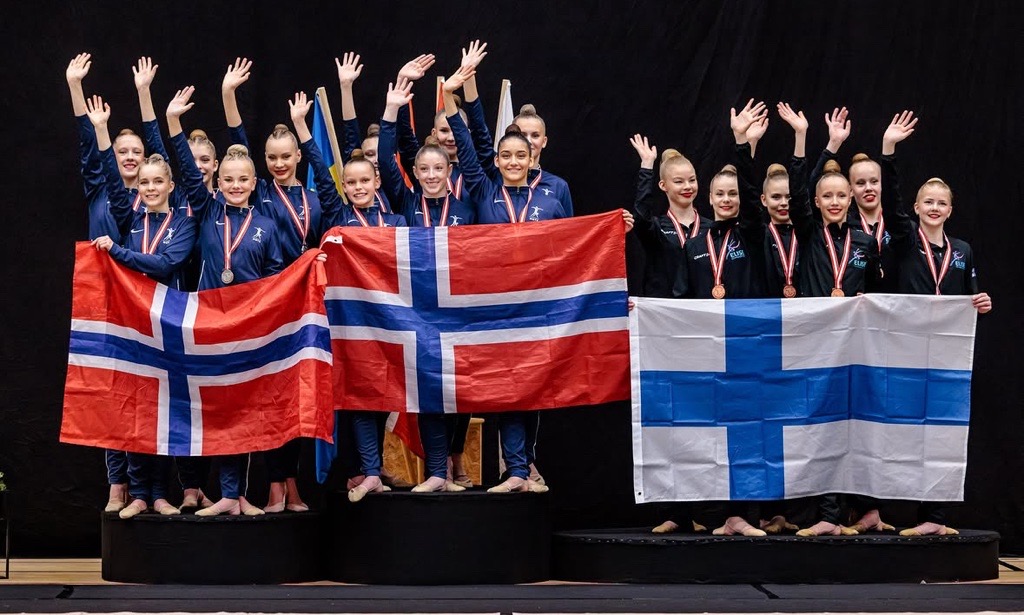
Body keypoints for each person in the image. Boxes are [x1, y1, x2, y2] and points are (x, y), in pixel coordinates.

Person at [222, 59, 344, 513]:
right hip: (268, 304)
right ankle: (275, 484)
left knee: (298, 394)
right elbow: (236, 143)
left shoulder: (313, 198)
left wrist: (303, 130)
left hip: (306, 305)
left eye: (285, 156)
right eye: (271, 157)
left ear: (296, 158)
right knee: (271, 394)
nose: (277, 164)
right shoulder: (257, 192)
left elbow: (330, 188)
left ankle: (292, 484)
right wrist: (228, 95)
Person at [165, 85, 283, 516]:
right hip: (207, 324)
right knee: (211, 409)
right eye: (228, 180)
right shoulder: (207, 208)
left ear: (254, 183)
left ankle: (234, 495)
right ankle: (211, 490)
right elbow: (185, 166)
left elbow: (275, 278)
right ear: (218, 182)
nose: (234, 186)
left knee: (242, 410)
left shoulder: (267, 224)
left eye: (242, 180)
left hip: (246, 327)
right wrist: (173, 122)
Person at [878, 111, 992, 536]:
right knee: (903, 430)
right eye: (928, 202)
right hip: (906, 349)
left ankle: (935, 518)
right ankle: (885, 507)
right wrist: (889, 150)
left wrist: (981, 302)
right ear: (916, 208)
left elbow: (971, 296)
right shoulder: (907, 239)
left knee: (942, 432)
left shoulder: (963, 249)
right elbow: (890, 201)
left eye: (941, 203)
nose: (935, 208)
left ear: (950, 210)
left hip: (945, 353)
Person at [85, 94, 199, 518]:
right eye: (145, 183)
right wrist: (101, 130)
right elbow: (114, 183)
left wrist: (118, 252)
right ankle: (137, 493)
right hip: (132, 325)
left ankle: (160, 494)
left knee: (165, 410)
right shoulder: (131, 218)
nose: (149, 188)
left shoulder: (184, 223)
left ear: (170, 186)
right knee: (133, 407)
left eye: (157, 182)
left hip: (168, 325)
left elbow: (166, 263)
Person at [66, 53, 143, 514]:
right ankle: (117, 484)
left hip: (145, 301)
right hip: (104, 302)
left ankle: (149, 488)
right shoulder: (99, 189)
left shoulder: (155, 197)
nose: (129, 157)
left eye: (136, 152)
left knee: (144, 391)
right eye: (122, 151)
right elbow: (86, 145)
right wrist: (75, 87)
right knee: (111, 392)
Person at [628, 135, 712, 298]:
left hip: (702, 310)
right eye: (679, 182)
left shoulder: (711, 228)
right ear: (663, 185)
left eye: (692, 180)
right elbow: (641, 217)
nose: (687, 187)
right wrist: (647, 166)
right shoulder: (656, 228)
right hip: (664, 311)